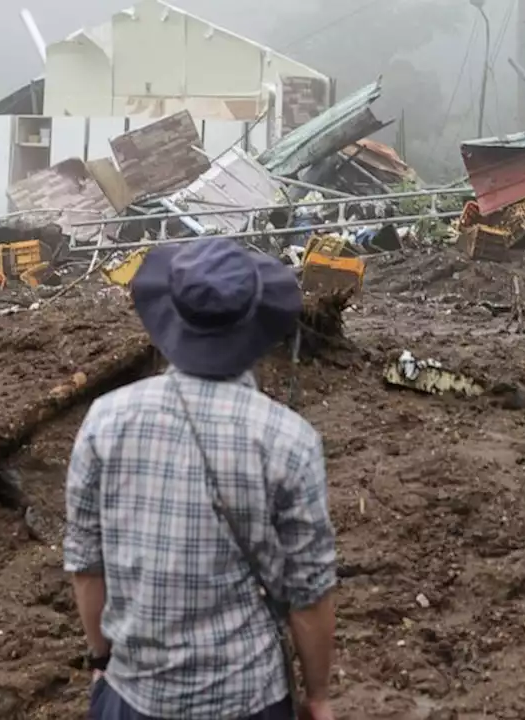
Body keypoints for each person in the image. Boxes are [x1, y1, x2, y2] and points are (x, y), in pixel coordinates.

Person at [63, 238, 338, 720]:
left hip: (133, 697)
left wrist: (102, 658)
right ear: (258, 327)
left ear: (170, 317)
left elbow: (87, 565)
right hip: (248, 699)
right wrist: (316, 697)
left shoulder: (105, 420)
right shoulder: (291, 441)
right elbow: (309, 597)